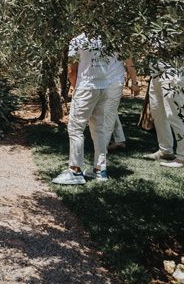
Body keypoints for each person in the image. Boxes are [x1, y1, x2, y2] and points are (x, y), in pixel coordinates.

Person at [52, 33, 138, 185]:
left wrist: (76, 87)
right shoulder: (106, 38)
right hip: (103, 87)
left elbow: (71, 71)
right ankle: (100, 170)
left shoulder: (77, 41)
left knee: (75, 129)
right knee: (99, 129)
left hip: (86, 87)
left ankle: (75, 171)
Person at [145, 64, 184, 168]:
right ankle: (165, 150)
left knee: (174, 115)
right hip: (156, 72)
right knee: (157, 113)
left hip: (174, 72)